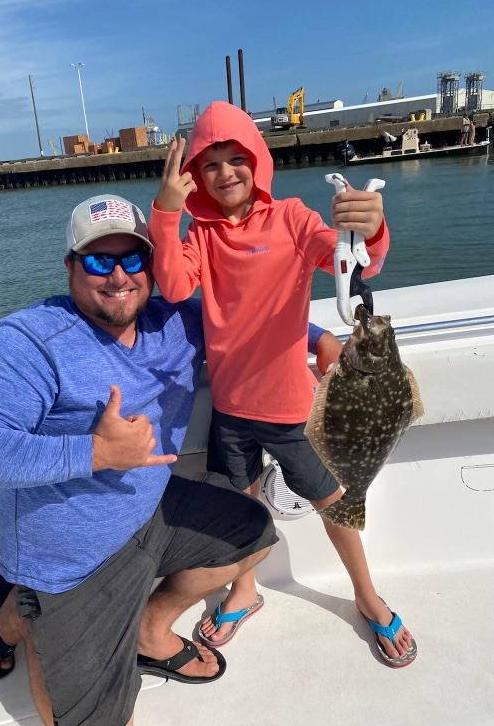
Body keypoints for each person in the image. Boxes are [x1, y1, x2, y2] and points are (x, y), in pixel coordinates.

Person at [0, 193, 278, 726]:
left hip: (151, 511)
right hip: (68, 559)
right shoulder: (28, 340)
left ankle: (150, 630)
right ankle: (16, 611)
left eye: (134, 259)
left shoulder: (176, 321)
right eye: (100, 261)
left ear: (153, 263)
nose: (119, 276)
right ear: (71, 266)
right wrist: (94, 454)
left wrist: (324, 340)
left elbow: (252, 316)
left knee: (255, 534)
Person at [148, 100, 417, 667]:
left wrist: (371, 228)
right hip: (231, 408)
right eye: (211, 163)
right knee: (243, 510)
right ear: (195, 173)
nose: (226, 174)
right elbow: (173, 286)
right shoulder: (201, 233)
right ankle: (244, 592)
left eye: (236, 158)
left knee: (336, 506)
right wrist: (166, 213)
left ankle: (366, 595)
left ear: (258, 161)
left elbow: (349, 262)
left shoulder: (291, 216)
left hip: (294, 409)